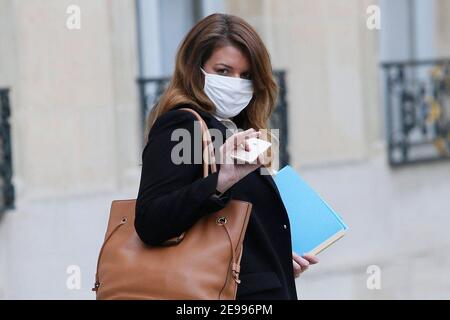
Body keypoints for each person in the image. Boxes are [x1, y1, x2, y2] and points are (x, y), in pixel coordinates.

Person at [135, 13, 318, 300]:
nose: (236, 83)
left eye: (246, 76)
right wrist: (220, 180)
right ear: (195, 69)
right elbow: (151, 221)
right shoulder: (184, 125)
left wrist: (275, 257)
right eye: (223, 71)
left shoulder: (237, 128)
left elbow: (232, 226)